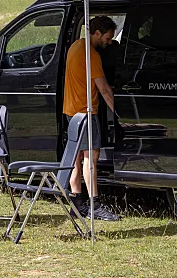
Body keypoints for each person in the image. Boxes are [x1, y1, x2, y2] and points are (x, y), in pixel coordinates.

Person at [63, 15, 121, 222]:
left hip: (71, 111)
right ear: (97, 33)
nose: (109, 42)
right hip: (86, 111)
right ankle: (94, 204)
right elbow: (104, 89)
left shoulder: (75, 47)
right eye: (107, 37)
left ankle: (76, 201)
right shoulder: (92, 55)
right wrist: (119, 114)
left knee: (77, 158)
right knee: (92, 158)